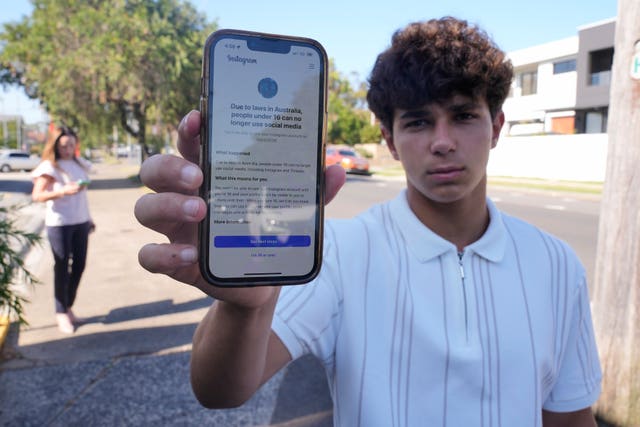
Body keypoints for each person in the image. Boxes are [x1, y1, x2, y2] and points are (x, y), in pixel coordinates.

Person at [135, 17, 602, 426]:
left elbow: (570, 417)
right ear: (390, 139)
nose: (442, 142)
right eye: (418, 122)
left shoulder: (556, 264)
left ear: (496, 127)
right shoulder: (338, 252)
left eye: (462, 115)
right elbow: (220, 392)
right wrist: (246, 307)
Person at [32, 126, 94, 334]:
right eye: (64, 145)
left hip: (81, 221)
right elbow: (37, 195)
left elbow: (82, 196)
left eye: (71, 145)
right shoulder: (50, 167)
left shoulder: (77, 163)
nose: (68, 149)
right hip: (59, 223)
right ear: (56, 145)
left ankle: (68, 306)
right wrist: (62, 192)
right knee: (61, 267)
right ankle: (61, 312)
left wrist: (89, 219)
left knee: (79, 265)